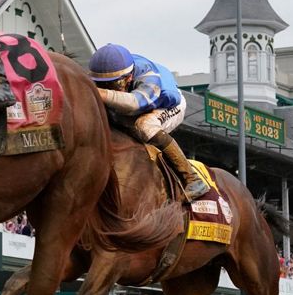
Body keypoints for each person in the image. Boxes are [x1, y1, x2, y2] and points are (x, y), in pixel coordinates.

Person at [86, 43, 209, 199]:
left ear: (129, 77)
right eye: (102, 84)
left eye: (115, 83)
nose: (109, 88)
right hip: (137, 108)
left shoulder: (147, 74)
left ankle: (192, 178)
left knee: (144, 126)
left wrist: (96, 91)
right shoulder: (115, 76)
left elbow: (134, 103)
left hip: (167, 105)